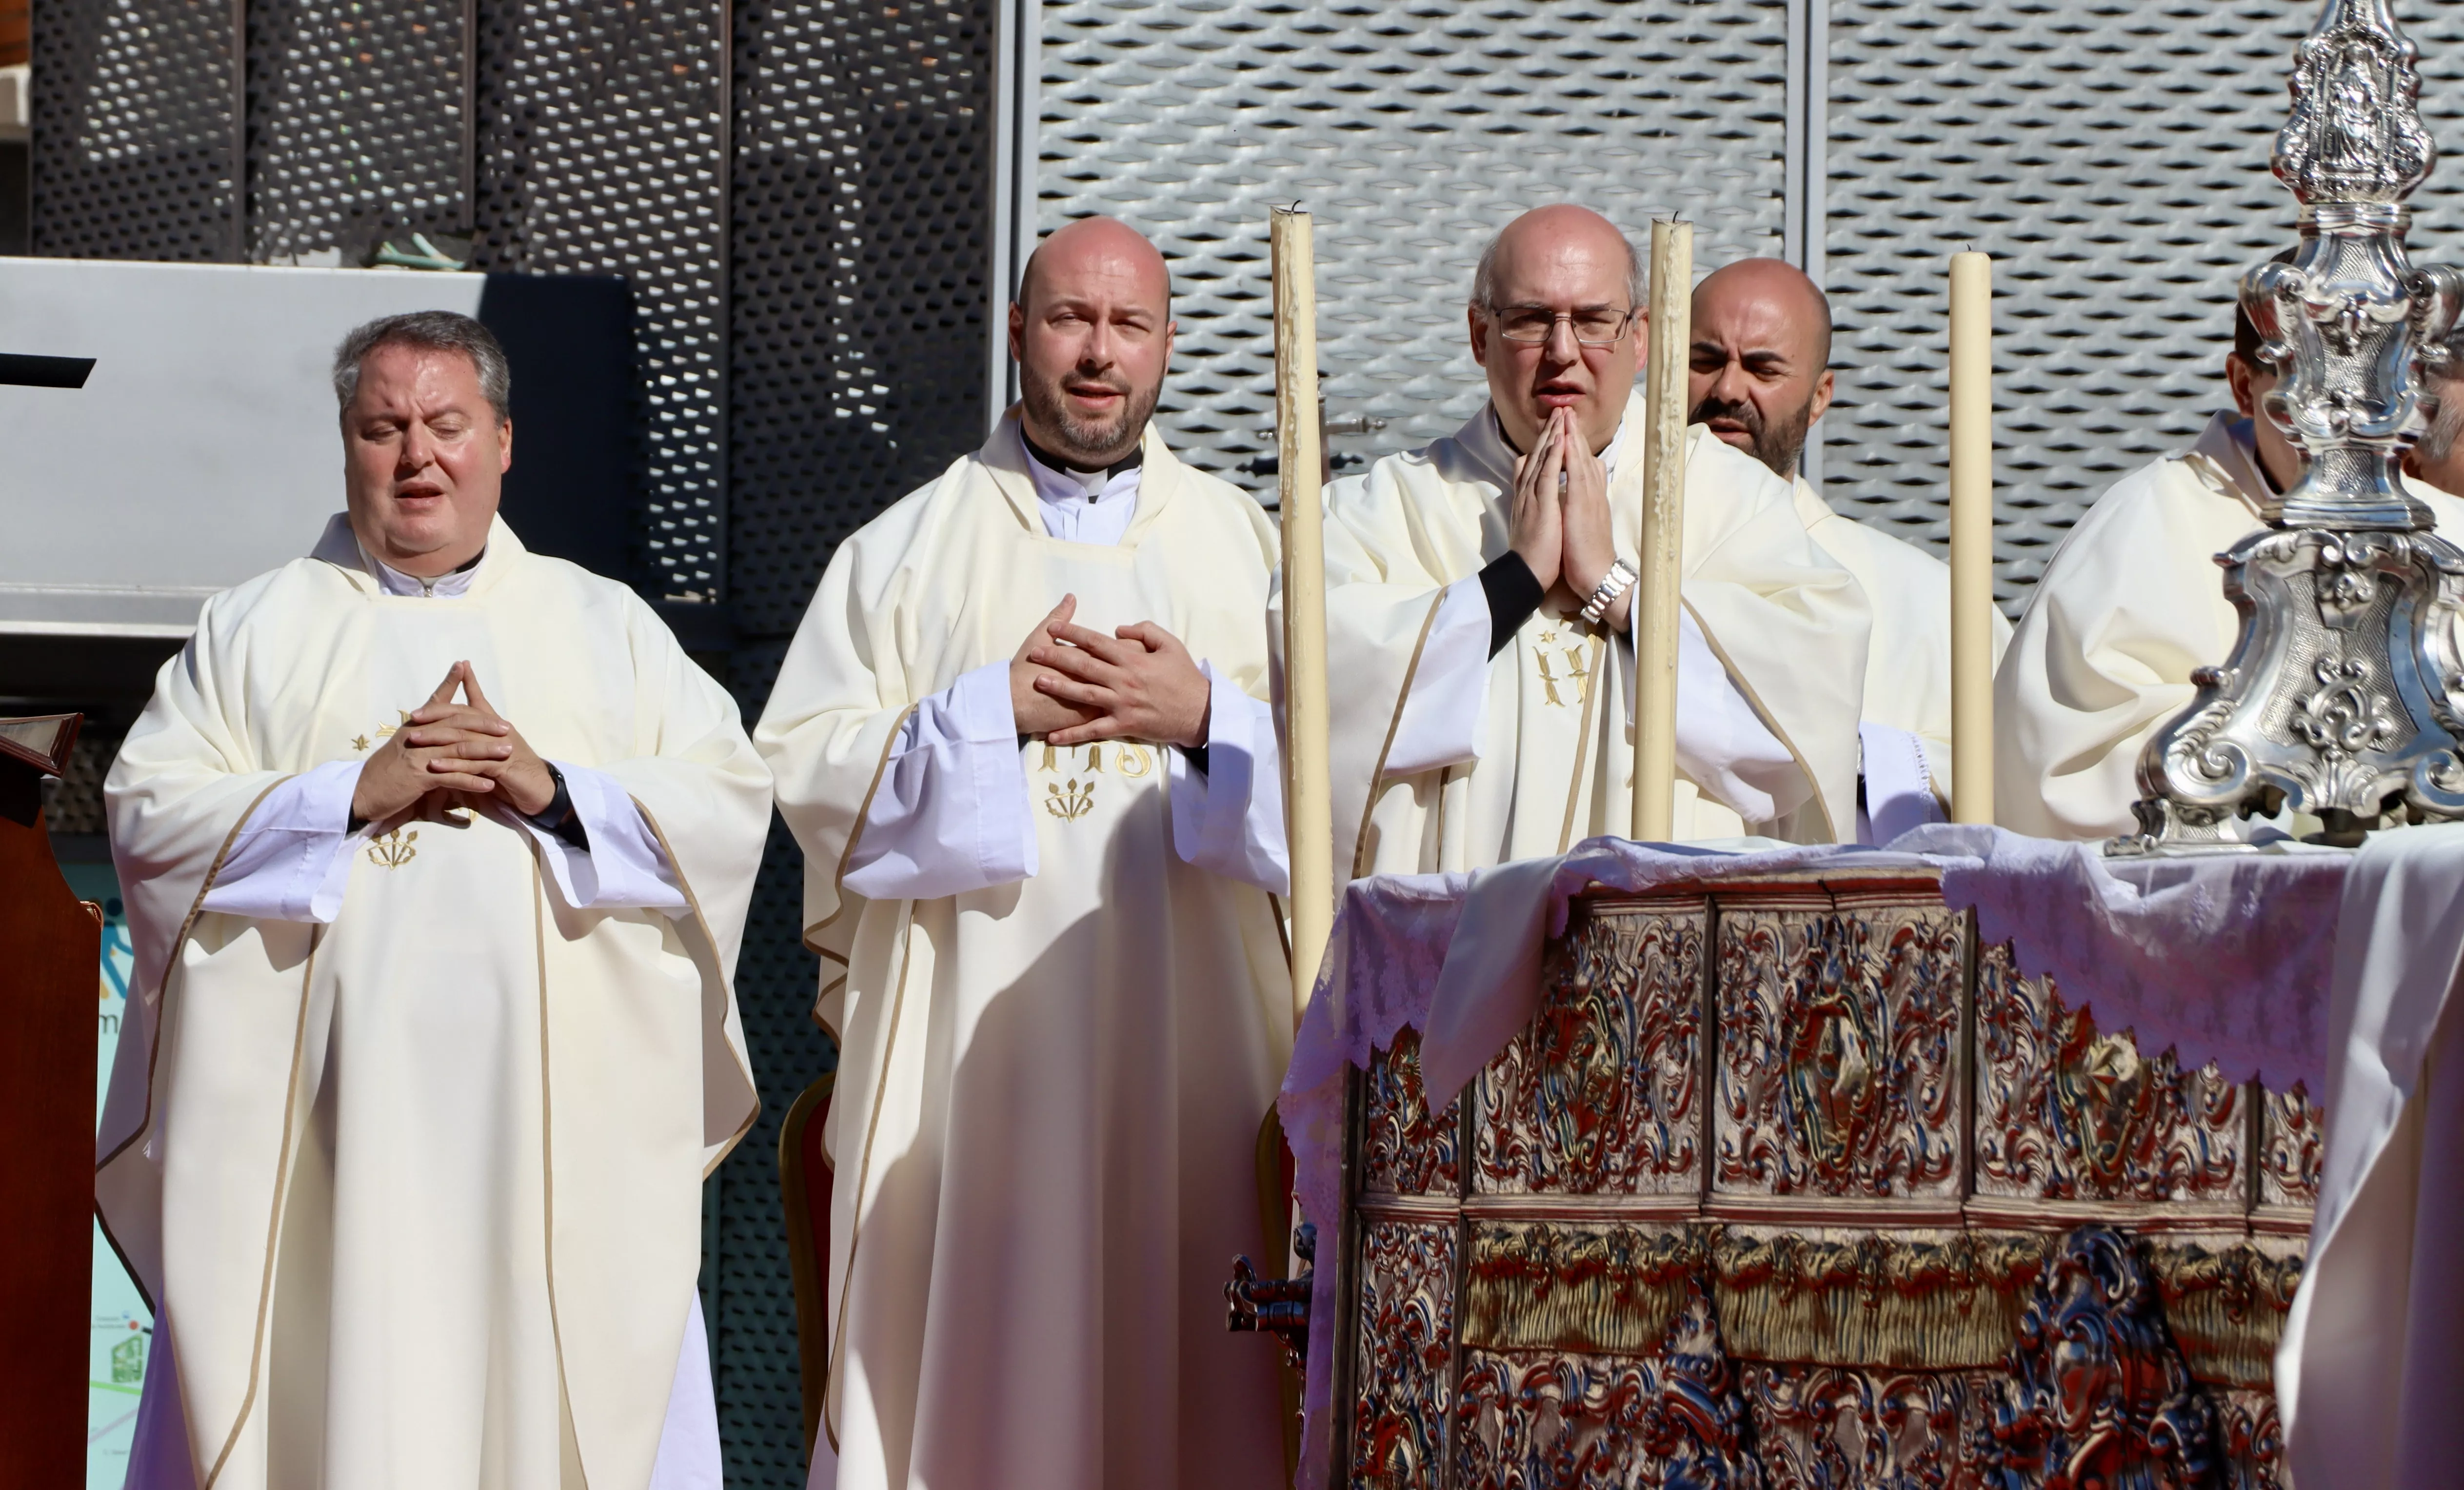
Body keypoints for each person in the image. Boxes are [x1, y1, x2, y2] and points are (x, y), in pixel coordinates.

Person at [100, 312, 771, 1488]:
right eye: (383, 427)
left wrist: (550, 787)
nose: (417, 455)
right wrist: (346, 796)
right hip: (322, 1151)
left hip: (553, 1152)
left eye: (446, 425)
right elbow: (151, 819)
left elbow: (727, 805)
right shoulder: (256, 629)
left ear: (502, 442)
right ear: (347, 446)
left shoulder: (604, 626)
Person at [755, 217, 1290, 1490]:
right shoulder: (900, 554)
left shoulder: (1250, 550)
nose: (1097, 354)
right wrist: (986, 717)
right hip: (971, 1063)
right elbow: (807, 772)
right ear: (1015, 332)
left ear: (1166, 346)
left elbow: (1344, 792)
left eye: (1127, 325)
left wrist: (1208, 719)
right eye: (1068, 320)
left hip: (1191, 1057)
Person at [1317, 204, 1871, 876]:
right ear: (1478, 335)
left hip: (1669, 947)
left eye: (1592, 321)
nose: (1562, 350)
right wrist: (1514, 581)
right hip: (1459, 946)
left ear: (1641, 338)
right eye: (1529, 319)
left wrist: (1615, 588)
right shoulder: (1389, 507)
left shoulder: (1732, 499)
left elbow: (1812, 692)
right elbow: (1319, 701)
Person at [1994, 294, 2464, 840]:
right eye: (2318, 391)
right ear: (2245, 386)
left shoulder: (2449, 529)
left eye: (2382, 392)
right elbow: (2076, 772)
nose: (2351, 422)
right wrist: (2308, 799)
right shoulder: (2146, 525)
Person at [1689, 256, 2011, 844]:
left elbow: (2012, 787)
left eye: (1763, 369)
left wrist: (1854, 757)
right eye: (1704, 361)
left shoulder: (1933, 604)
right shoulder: (1595, 557)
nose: (1728, 389)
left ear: (1819, 398)